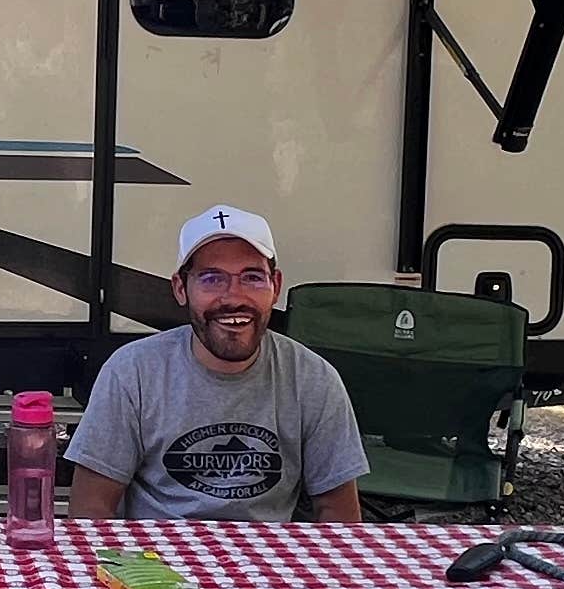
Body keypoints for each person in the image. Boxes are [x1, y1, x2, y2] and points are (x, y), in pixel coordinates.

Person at [65, 204, 368, 522]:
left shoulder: (313, 378)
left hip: (267, 553)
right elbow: (90, 509)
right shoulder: (132, 372)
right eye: (211, 278)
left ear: (276, 287)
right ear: (180, 288)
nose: (233, 296)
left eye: (252, 278)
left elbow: (340, 516)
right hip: (156, 552)